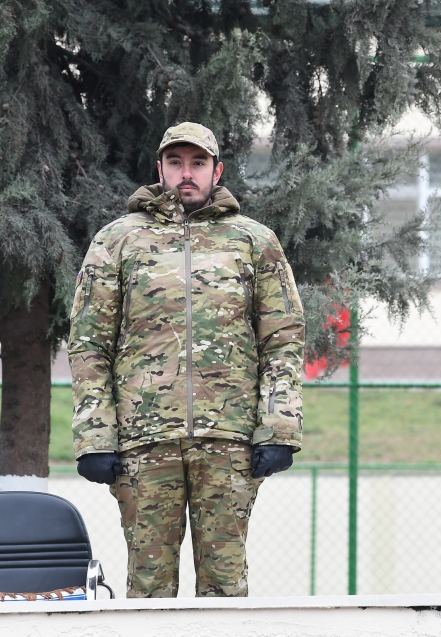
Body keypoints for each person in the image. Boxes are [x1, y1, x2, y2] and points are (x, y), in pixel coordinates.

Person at [69, 122, 305, 598]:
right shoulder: (118, 241)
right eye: (176, 163)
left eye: (198, 163)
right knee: (148, 585)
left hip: (229, 439)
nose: (186, 173)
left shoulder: (253, 241)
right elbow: (89, 342)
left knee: (225, 585)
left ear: (217, 171)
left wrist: (279, 428)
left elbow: (282, 338)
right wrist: (95, 436)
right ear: (160, 169)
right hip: (143, 440)